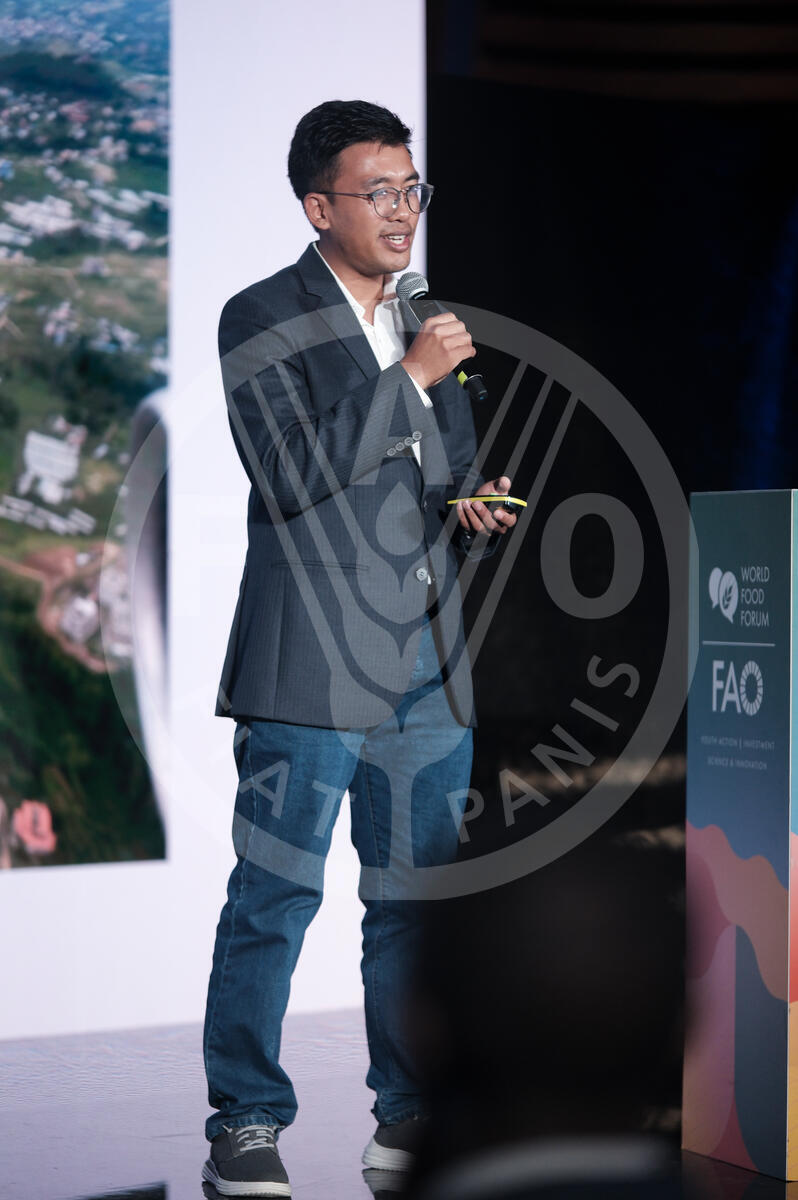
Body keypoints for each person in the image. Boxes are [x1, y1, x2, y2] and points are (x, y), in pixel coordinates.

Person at [201, 98, 518, 1197]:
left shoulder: (426, 320)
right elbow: (291, 474)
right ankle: (245, 1119)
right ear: (318, 206)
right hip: (309, 665)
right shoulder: (262, 315)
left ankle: (411, 1116)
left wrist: (470, 505)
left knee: (415, 910)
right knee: (274, 899)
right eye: (379, 192)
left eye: (412, 189)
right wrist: (411, 376)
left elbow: (439, 478)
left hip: (425, 664)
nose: (402, 211)